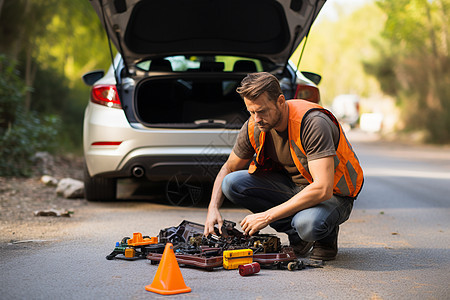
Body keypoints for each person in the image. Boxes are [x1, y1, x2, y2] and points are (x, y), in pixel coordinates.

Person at [204, 72, 364, 260]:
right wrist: (212, 209)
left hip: (335, 195)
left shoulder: (313, 123)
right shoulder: (255, 125)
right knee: (232, 183)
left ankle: (324, 237)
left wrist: (266, 216)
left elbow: (323, 189)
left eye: (262, 111)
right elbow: (228, 168)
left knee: (308, 224)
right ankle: (298, 236)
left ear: (281, 101)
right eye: (251, 112)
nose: (256, 118)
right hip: (295, 188)